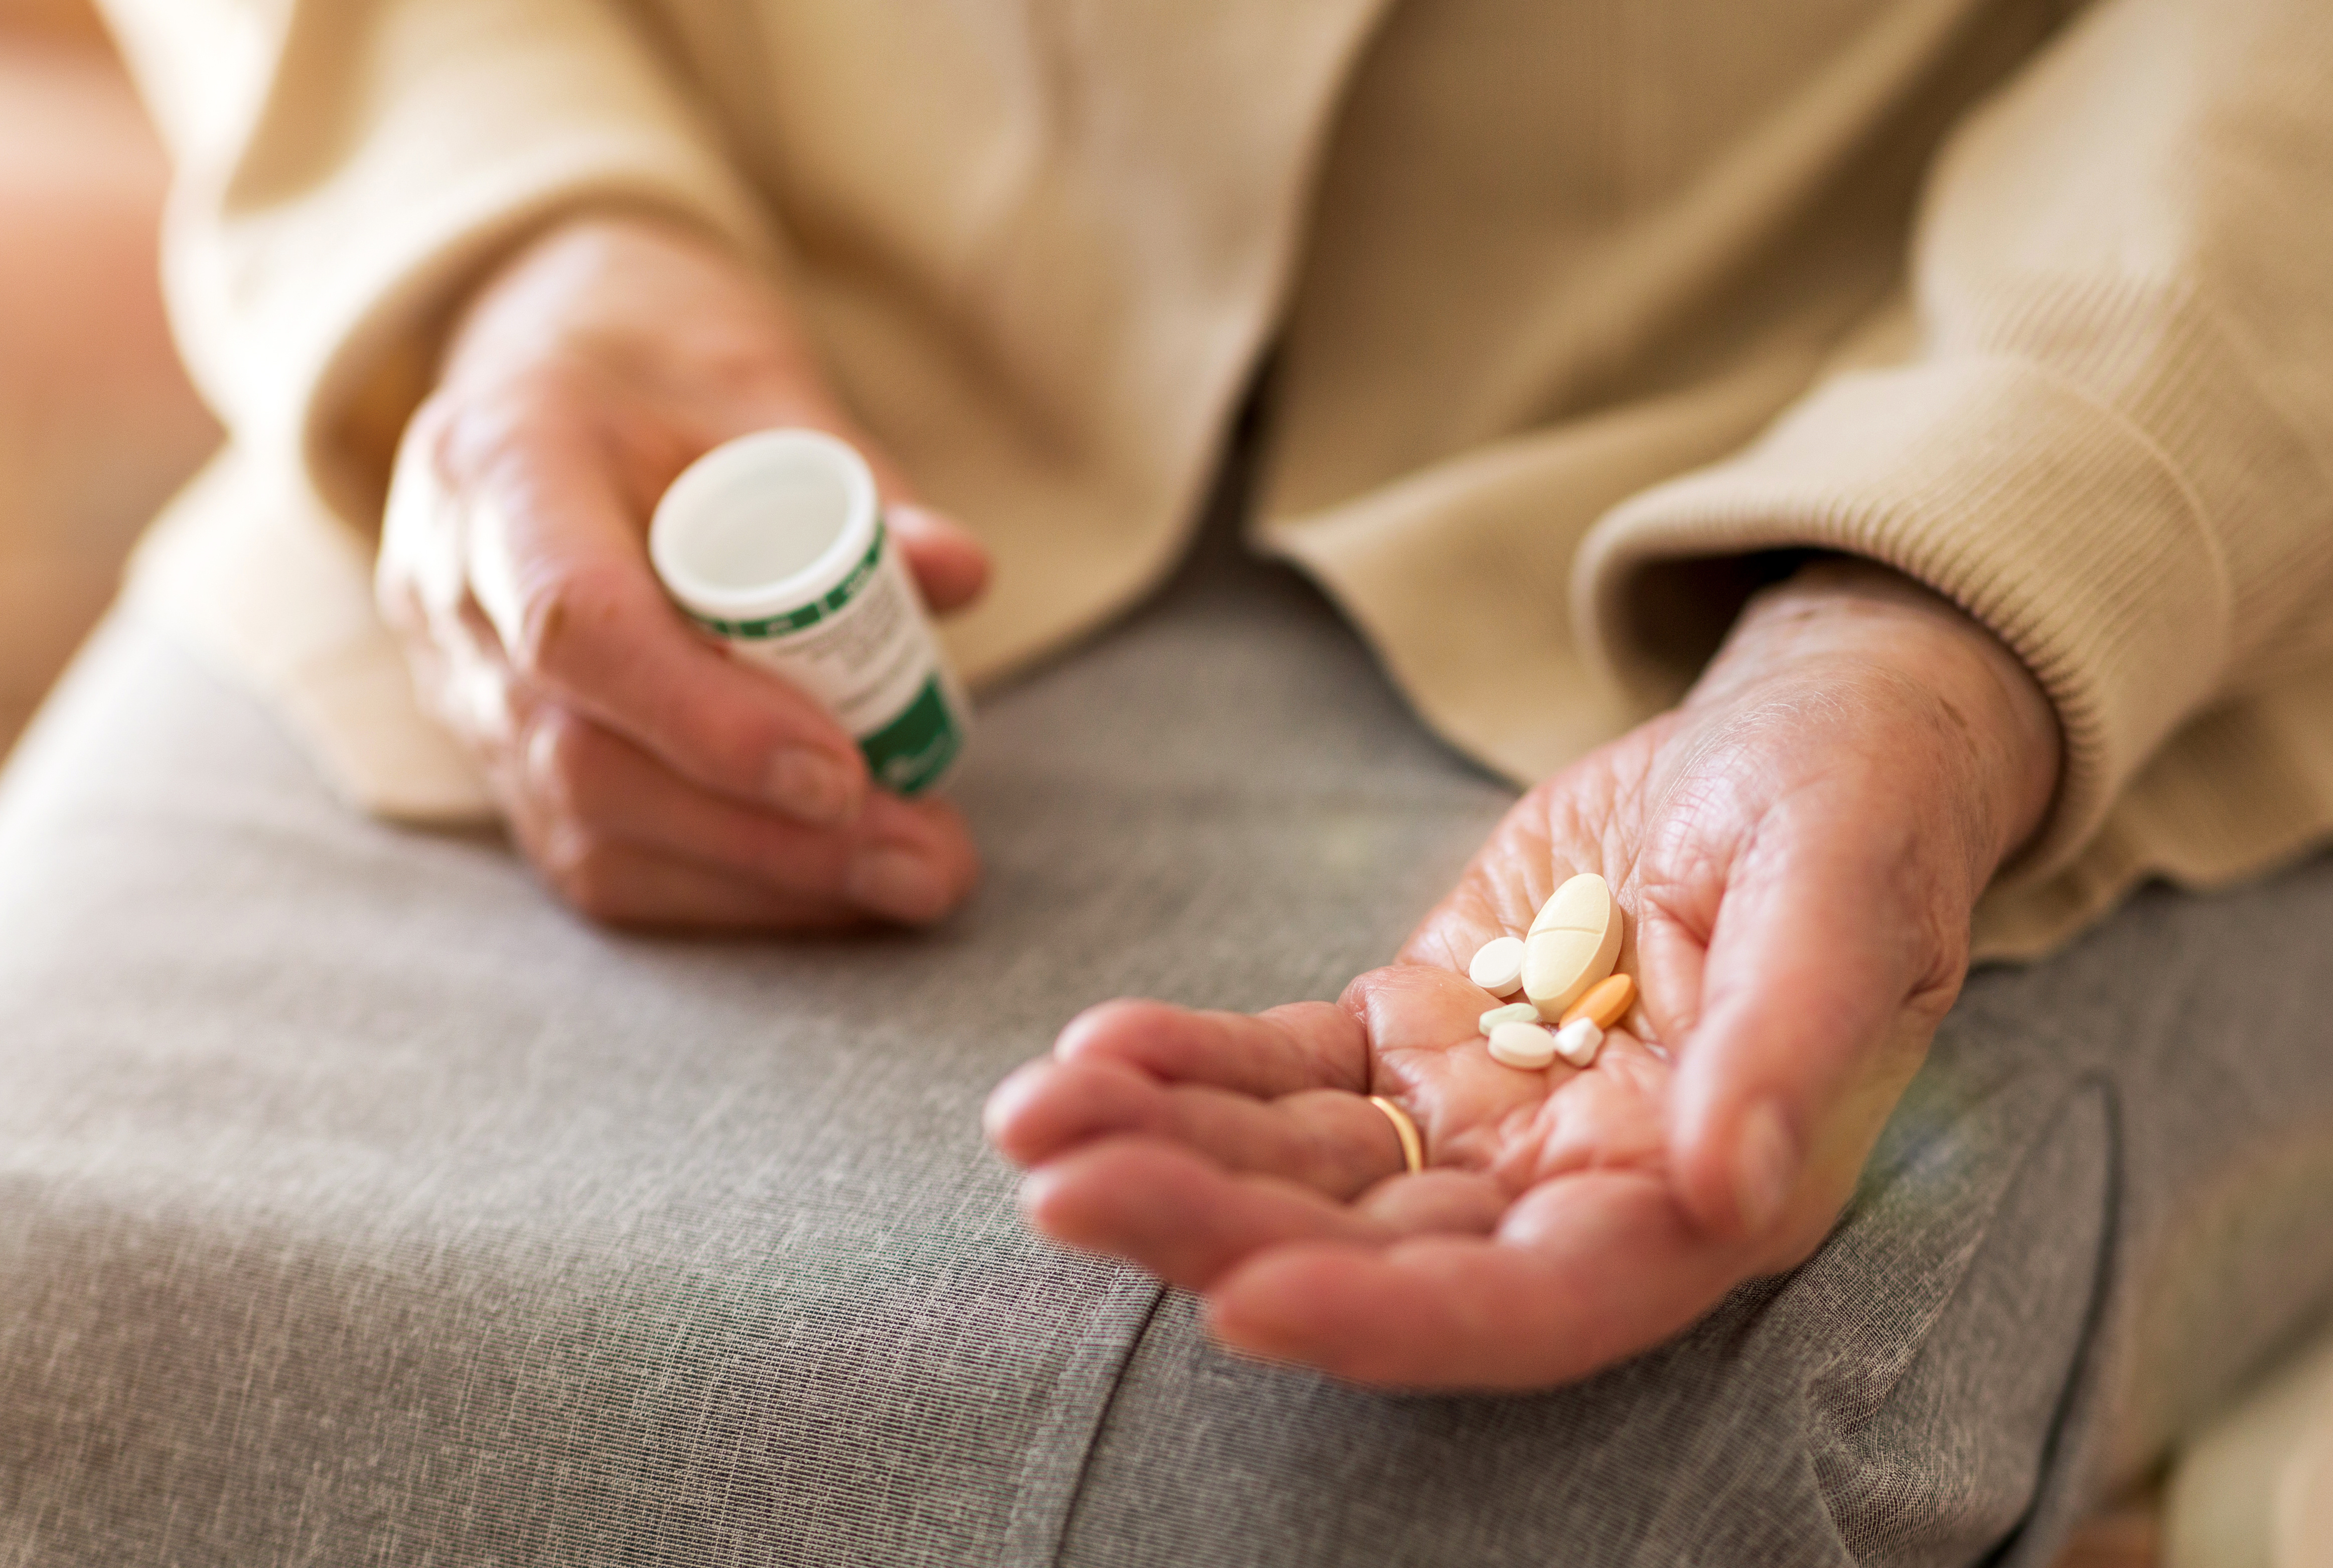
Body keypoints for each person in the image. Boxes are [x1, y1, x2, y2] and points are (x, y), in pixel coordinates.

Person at [20, 0, 2325, 1560]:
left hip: (1948, 443)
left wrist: (1936, 616)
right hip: (728, 327)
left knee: (1419, 1490)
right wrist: (526, 245)